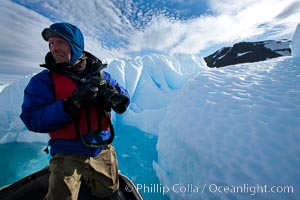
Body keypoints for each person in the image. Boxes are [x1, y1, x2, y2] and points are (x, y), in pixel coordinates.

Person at [20, 22, 130, 200]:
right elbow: (31, 118)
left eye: (60, 42)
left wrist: (111, 92)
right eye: (51, 44)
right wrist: (70, 105)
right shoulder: (43, 82)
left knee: (109, 192)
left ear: (76, 45)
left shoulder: (100, 75)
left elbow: (124, 97)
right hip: (66, 153)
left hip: (102, 150)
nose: (54, 48)